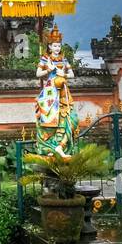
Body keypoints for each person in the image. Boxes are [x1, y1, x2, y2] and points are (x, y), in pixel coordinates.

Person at [35, 25, 78, 157]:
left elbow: (72, 75)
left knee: (72, 119)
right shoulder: (45, 59)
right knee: (53, 119)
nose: (57, 48)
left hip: (64, 92)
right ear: (49, 47)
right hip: (51, 91)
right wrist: (49, 70)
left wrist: (63, 74)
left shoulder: (64, 59)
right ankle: (51, 147)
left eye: (59, 46)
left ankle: (61, 146)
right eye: (54, 46)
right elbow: (38, 74)